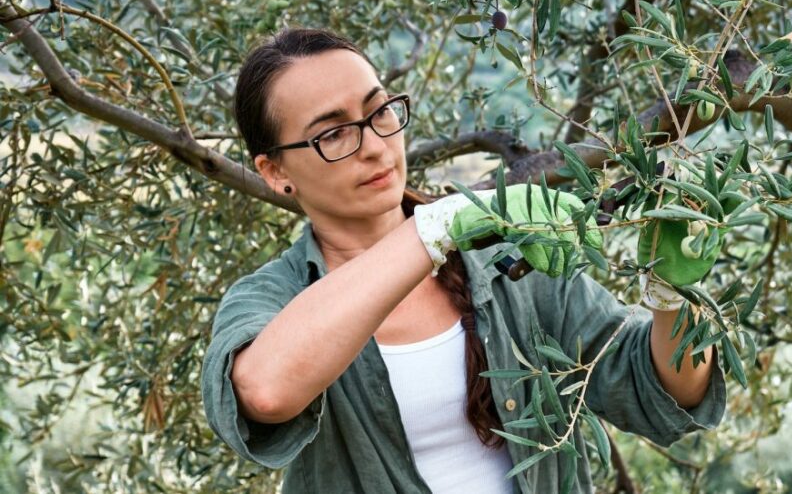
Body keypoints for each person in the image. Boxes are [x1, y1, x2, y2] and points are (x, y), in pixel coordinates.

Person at [200, 27, 727, 494]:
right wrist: (438, 225)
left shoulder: (511, 265)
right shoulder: (272, 299)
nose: (376, 146)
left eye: (380, 111)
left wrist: (675, 294)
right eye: (333, 132)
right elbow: (265, 393)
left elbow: (663, 392)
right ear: (274, 172)